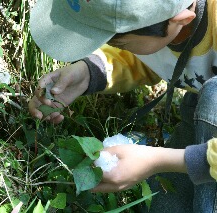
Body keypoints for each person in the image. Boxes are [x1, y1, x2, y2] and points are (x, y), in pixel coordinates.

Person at [28, 0, 217, 212]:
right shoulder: (166, 26)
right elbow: (155, 56)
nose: (112, 44)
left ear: (182, 19)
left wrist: (160, 161)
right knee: (164, 204)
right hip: (200, 113)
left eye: (119, 43)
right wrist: (88, 73)